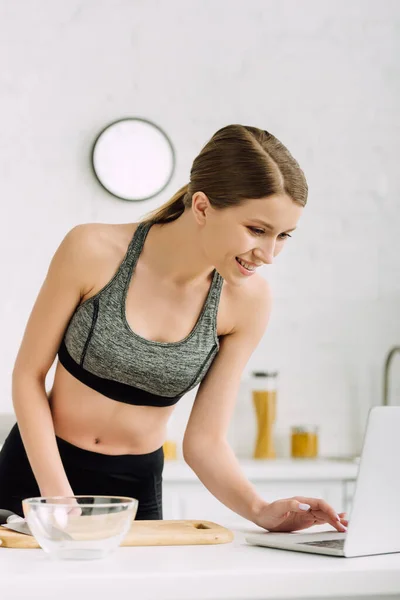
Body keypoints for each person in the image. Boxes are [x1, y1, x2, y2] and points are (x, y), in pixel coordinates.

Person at [0, 124, 347, 532]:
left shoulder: (247, 301)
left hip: (134, 495)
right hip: (37, 479)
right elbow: (28, 375)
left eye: (283, 235)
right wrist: (58, 499)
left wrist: (259, 509)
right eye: (256, 230)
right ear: (201, 207)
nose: (269, 254)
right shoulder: (91, 250)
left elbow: (204, 442)